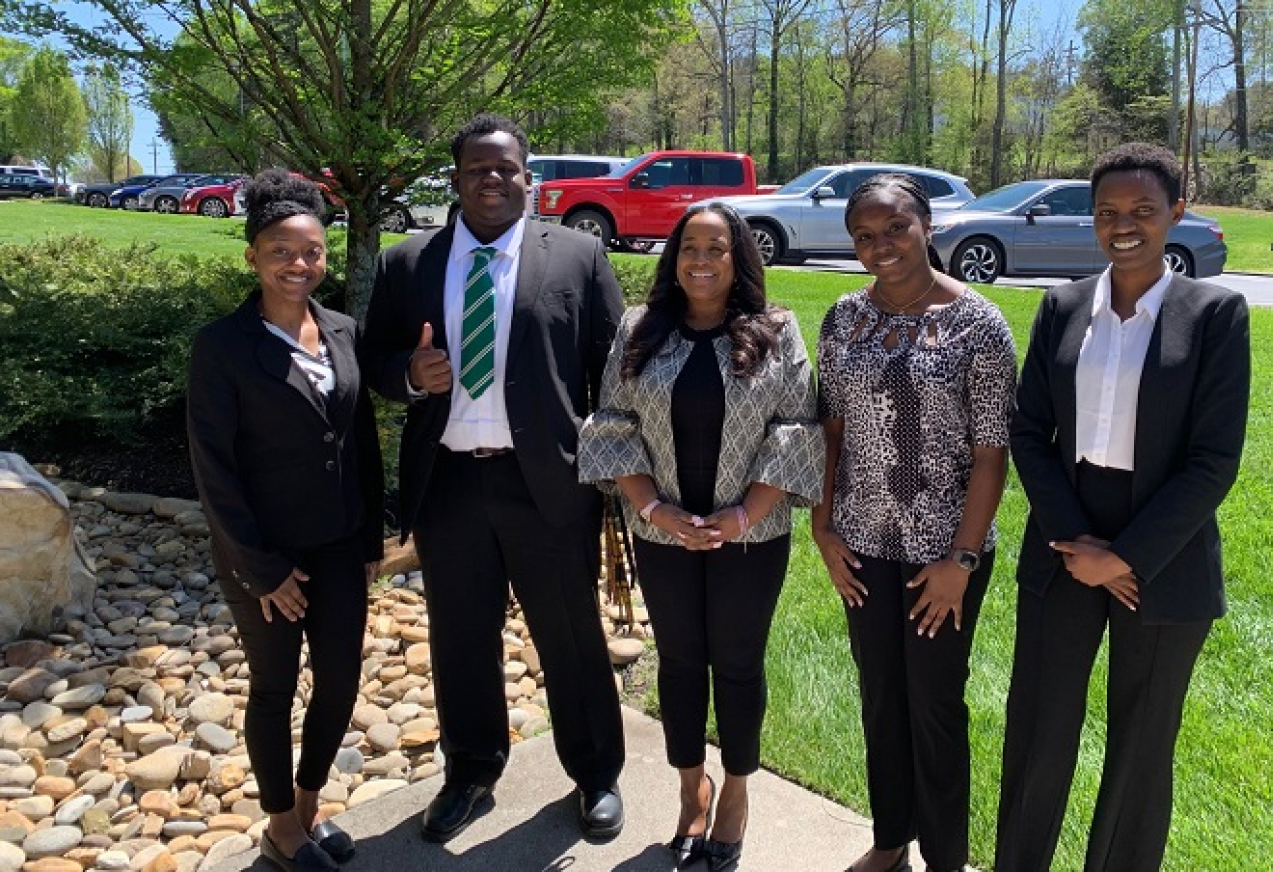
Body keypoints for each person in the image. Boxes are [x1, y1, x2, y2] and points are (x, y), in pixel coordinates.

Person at [358, 113, 627, 843]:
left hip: (548, 483)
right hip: (447, 484)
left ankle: (596, 773)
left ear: (527, 177)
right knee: (461, 636)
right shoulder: (407, 262)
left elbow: (615, 374)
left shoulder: (577, 256)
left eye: (506, 167)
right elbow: (374, 357)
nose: (493, 179)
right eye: (477, 168)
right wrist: (408, 374)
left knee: (571, 634)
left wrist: (619, 482)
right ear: (456, 180)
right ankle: (471, 771)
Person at [994, 142, 1251, 872]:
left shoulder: (1216, 315)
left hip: (1163, 553)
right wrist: (1078, 542)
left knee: (1141, 745)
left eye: (1142, 209)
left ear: (1176, 211)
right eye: (1108, 211)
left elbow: (1213, 461)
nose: (1124, 224)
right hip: (1063, 540)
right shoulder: (1064, 305)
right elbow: (1027, 430)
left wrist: (1125, 556)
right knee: (1040, 729)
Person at [578, 203, 823, 870]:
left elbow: (796, 430)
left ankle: (737, 790)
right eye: (690, 247)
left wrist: (742, 513)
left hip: (753, 535)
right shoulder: (639, 328)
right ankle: (692, 789)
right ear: (674, 255)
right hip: (663, 536)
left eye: (717, 248)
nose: (702, 261)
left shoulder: (777, 331)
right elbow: (612, 423)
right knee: (681, 664)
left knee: (739, 665)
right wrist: (655, 509)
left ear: (738, 258)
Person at [812, 173, 1017, 872]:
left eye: (895, 227)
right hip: (863, 544)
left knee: (933, 706)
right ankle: (890, 838)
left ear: (927, 225)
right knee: (880, 699)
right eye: (864, 236)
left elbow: (992, 455)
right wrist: (823, 528)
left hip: (944, 555)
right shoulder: (842, 317)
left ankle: (946, 857)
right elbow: (829, 430)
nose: (881, 245)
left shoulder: (978, 322)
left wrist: (960, 561)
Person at [187, 170, 385, 872]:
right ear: (252, 255)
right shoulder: (223, 346)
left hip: (339, 545)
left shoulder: (343, 331)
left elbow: (360, 443)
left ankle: (307, 805)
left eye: (312, 252)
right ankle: (280, 828)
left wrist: (370, 539)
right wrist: (263, 567)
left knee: (339, 682)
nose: (298, 264)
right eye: (281, 250)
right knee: (274, 688)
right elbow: (214, 470)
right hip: (264, 554)